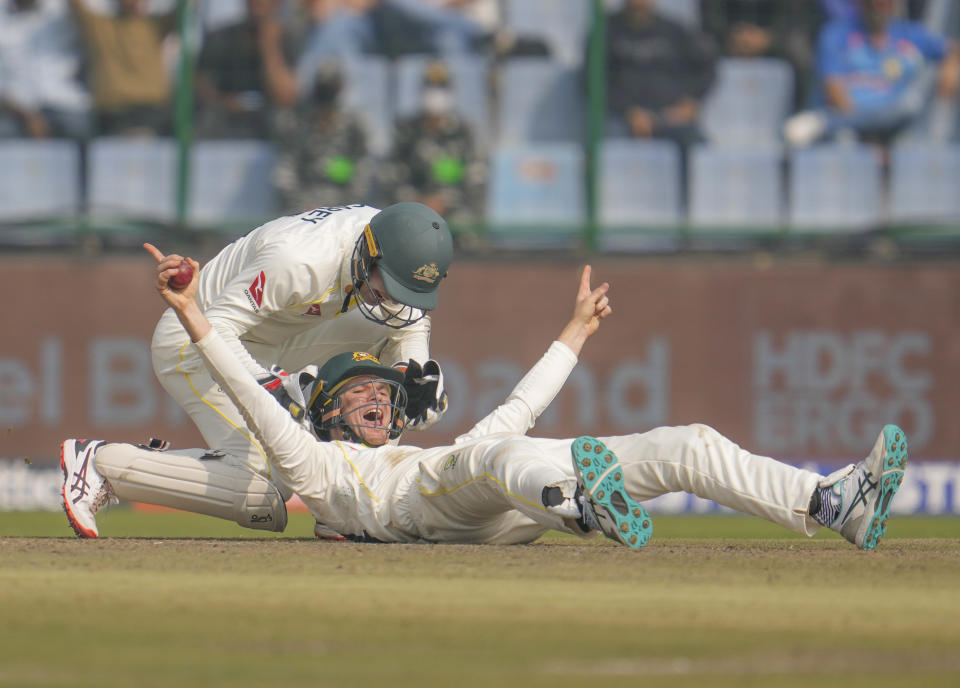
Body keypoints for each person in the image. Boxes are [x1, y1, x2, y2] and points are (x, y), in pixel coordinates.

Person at [60, 245, 909, 552]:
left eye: (383, 393)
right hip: (421, 512)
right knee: (500, 457)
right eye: (356, 392)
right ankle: (584, 503)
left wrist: (574, 334)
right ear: (323, 413)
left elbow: (512, 417)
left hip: (486, 498)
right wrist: (195, 319)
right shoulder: (314, 463)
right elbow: (247, 392)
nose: (377, 401)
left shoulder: (419, 450)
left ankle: (832, 502)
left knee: (684, 440)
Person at [147, 202, 454, 505]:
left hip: (280, 333)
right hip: (196, 342)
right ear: (369, 256)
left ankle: (354, 499)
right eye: (390, 286)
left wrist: (412, 373)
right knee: (268, 484)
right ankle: (112, 463)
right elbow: (216, 327)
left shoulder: (394, 242)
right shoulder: (297, 260)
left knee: (390, 372)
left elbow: (409, 324)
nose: (393, 299)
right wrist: (268, 387)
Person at [784, 0, 960, 147]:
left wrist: (951, 63)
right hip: (852, 130)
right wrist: (870, 138)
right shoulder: (836, 34)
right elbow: (835, 94)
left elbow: (954, 49)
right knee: (845, 141)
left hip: (899, 130)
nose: (878, 6)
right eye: (872, 2)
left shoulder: (911, 33)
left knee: (910, 106)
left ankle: (823, 123)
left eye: (885, 2)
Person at [383, 60, 485, 227]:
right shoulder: (407, 131)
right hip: (412, 215)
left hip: (455, 217)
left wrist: (444, 201)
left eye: (441, 89)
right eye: (431, 88)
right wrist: (417, 201)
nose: (435, 95)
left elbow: (476, 180)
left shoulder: (463, 132)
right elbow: (391, 176)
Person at [604, 0, 716, 149]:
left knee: (698, 148)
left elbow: (706, 67)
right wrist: (628, 111)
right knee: (612, 141)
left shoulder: (674, 30)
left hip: (670, 117)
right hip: (621, 118)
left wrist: (691, 101)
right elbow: (591, 82)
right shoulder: (606, 31)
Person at [272, 61, 372, 213]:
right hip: (304, 209)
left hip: (343, 208)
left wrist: (343, 209)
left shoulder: (354, 127)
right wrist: (304, 207)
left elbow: (363, 171)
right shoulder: (299, 125)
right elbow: (285, 172)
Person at [68, 0, 177, 136]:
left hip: (152, 111)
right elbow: (76, 7)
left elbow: (186, 11)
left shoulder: (154, 26)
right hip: (115, 112)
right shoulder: (101, 27)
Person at [193, 0, 299, 139]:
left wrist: (268, 45)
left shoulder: (290, 39)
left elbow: (286, 96)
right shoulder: (220, 38)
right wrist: (224, 102)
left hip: (269, 129)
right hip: (223, 126)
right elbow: (199, 84)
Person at [700, 0, 824, 109]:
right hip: (728, 38)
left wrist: (769, 37)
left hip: (775, 36)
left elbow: (797, 15)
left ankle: (799, 114)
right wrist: (734, 36)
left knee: (799, 47)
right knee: (703, 47)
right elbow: (711, 16)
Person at [0, 0, 92, 140]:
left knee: (80, 129)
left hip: (66, 103)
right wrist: (26, 115)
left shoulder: (61, 10)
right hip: (16, 109)